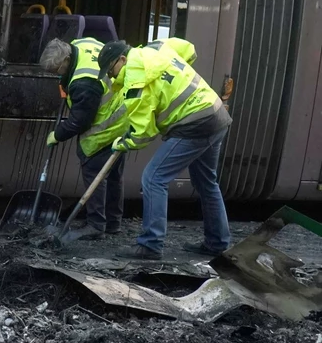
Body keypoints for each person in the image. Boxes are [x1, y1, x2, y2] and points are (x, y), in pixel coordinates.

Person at [98, 39, 233, 260]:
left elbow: (143, 133)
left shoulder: (134, 74)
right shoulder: (155, 48)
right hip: (216, 113)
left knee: (153, 178)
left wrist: (125, 143)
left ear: (122, 59)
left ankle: (151, 244)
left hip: (194, 122)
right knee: (206, 182)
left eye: (111, 71)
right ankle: (217, 243)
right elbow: (189, 49)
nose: (112, 78)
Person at [38, 37, 129, 241]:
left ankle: (96, 224)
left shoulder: (84, 82)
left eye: (57, 72)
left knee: (93, 166)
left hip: (106, 123)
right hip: (123, 117)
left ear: (66, 61)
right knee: (113, 173)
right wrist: (65, 82)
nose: (56, 75)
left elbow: (81, 121)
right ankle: (113, 223)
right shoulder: (81, 43)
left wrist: (58, 134)